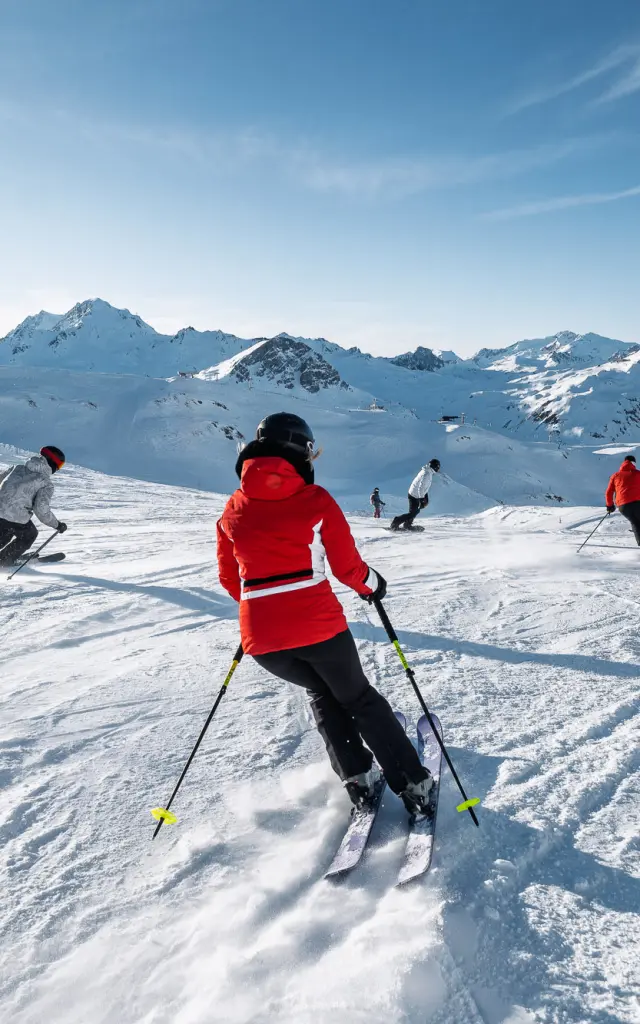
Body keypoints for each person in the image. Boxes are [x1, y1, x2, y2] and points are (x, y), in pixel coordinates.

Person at [217, 412, 433, 813]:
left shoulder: (232, 509)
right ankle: (413, 784)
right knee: (358, 698)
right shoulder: (314, 500)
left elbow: (233, 581)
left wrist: (264, 610)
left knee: (322, 693)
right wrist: (373, 585)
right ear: (300, 452)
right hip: (319, 629)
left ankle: (359, 778)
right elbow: (347, 567)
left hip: (262, 642)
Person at [0, 446, 68, 566]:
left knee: (5, 532)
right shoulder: (46, 483)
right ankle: (4, 560)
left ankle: (5, 557)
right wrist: (57, 524)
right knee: (29, 534)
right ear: (52, 462)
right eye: (59, 465)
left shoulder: (16, 468)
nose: (58, 468)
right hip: (16, 517)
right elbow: (41, 509)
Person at [390, 458, 440, 531]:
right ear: (435, 467)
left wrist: (425, 497)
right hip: (414, 495)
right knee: (414, 512)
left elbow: (424, 488)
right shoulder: (427, 474)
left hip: (415, 494)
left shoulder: (427, 472)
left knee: (415, 511)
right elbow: (421, 488)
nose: (438, 469)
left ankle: (407, 524)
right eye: (438, 467)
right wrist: (422, 499)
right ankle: (396, 521)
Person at [605, 454, 640, 545]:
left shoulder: (615, 475)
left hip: (623, 506)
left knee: (635, 522)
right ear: (633, 463)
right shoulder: (638, 474)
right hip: (637, 503)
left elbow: (608, 492)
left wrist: (609, 505)